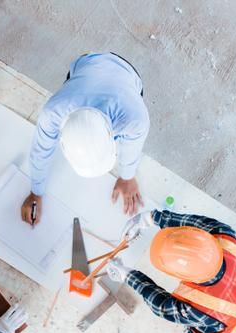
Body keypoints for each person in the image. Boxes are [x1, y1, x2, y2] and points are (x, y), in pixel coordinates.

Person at [106, 210, 236, 333]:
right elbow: (194, 223)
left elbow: (161, 306)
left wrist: (127, 275)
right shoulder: (225, 236)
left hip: (233, 332)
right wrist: (149, 218)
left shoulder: (201, 308)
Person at [20, 52, 150, 225]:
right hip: (86, 64)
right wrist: (36, 192)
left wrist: (127, 177)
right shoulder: (54, 111)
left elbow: (131, 149)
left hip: (128, 74)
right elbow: (41, 151)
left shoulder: (134, 117)